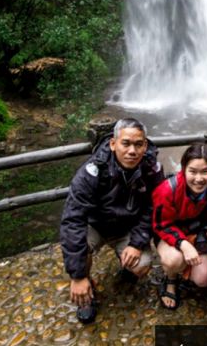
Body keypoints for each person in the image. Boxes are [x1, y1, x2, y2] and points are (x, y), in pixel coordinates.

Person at [59, 118, 164, 324]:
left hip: (127, 227)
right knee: (81, 249)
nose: (132, 151)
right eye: (126, 143)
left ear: (145, 145)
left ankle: (126, 267)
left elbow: (153, 207)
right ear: (113, 144)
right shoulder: (92, 171)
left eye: (138, 144)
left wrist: (136, 243)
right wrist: (78, 276)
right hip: (95, 224)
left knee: (142, 264)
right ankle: (85, 294)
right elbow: (73, 219)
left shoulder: (151, 168)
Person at [152, 143, 207, 310]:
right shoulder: (167, 190)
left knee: (203, 279)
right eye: (193, 171)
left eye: (205, 171)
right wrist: (183, 244)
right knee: (174, 260)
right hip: (170, 232)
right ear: (183, 170)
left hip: (198, 232)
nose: (199, 178)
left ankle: (187, 268)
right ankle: (171, 279)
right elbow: (160, 225)